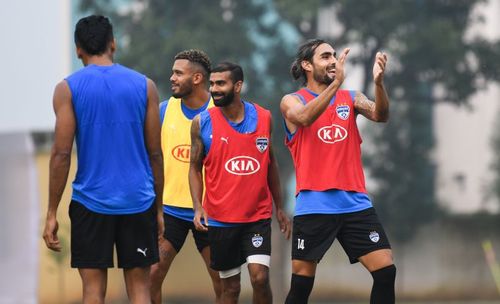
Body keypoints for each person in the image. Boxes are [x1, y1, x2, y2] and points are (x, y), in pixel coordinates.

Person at [42, 15, 164, 304]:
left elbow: (61, 154)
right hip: (139, 200)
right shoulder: (145, 86)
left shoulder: (67, 89)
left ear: (78, 50)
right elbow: (155, 153)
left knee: (93, 292)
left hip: (90, 202)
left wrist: (51, 213)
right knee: (141, 291)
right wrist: (158, 208)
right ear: (113, 43)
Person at [281, 39, 396, 304]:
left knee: (386, 271)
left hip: (354, 203)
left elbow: (381, 115)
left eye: (334, 55)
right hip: (314, 205)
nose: (333, 61)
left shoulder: (351, 98)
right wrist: (335, 85)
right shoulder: (291, 101)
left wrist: (378, 85)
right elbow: (304, 118)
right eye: (325, 57)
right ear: (306, 65)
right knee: (301, 285)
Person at [189, 62, 291, 304]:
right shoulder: (201, 123)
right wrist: (197, 206)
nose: (214, 89)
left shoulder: (264, 118)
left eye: (220, 83)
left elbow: (271, 164)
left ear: (238, 85)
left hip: (257, 217)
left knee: (259, 278)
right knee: (231, 288)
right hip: (220, 219)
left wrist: (279, 207)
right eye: (211, 84)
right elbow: (194, 167)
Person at [149, 49, 222, 304]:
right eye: (172, 72)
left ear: (198, 78)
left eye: (179, 73)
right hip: (169, 211)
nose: (172, 78)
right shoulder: (162, 111)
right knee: (152, 276)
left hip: (210, 212)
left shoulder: (220, 111)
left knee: (222, 282)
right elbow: (148, 158)